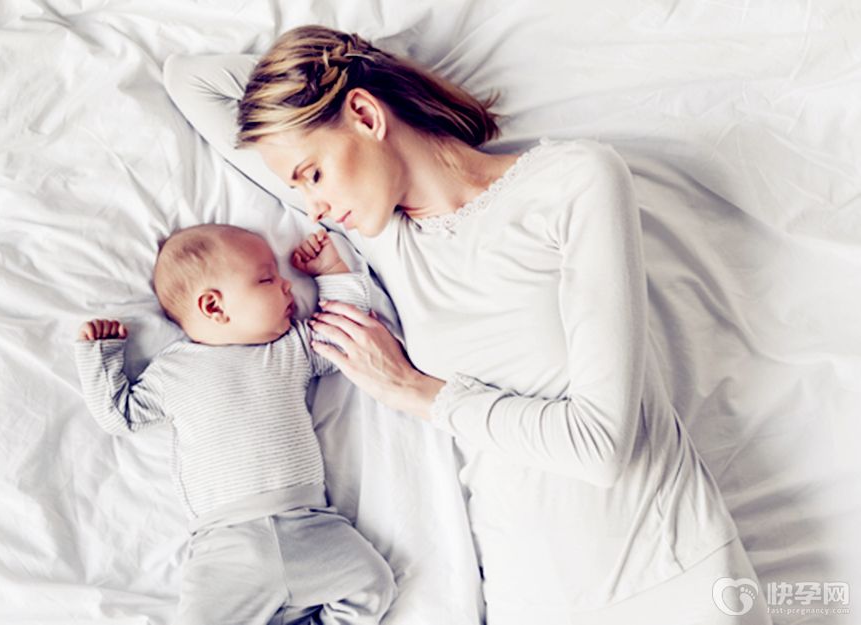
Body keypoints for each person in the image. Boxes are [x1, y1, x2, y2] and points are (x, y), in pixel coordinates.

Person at [234, 25, 773, 625]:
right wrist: (327, 70)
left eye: (312, 174)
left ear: (364, 114)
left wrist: (412, 390)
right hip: (529, 597)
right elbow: (191, 81)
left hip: (672, 574)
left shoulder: (572, 181)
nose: (314, 209)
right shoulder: (387, 240)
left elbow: (600, 447)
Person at [73, 223, 396, 625]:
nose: (286, 285)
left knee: (374, 583)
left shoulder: (288, 349)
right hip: (227, 546)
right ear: (214, 306)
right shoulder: (172, 372)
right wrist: (101, 355)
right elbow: (120, 415)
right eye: (267, 278)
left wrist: (332, 271)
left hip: (312, 525)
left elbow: (341, 338)